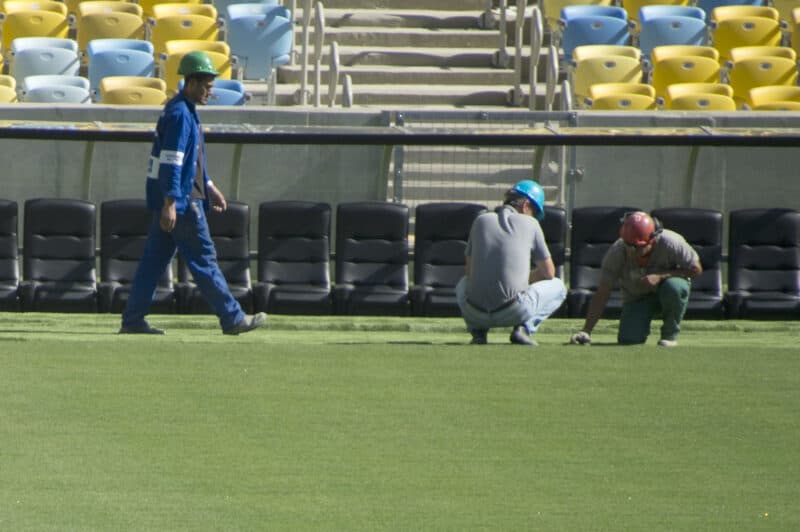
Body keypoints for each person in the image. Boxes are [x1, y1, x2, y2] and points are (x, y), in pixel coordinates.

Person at [120, 51, 266, 335]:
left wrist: (209, 186)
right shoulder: (180, 115)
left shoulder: (182, 111)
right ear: (191, 83)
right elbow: (172, 162)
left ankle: (133, 320)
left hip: (180, 199)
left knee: (153, 263)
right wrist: (171, 203)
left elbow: (191, 161)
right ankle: (233, 318)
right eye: (207, 86)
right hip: (183, 203)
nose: (210, 92)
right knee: (204, 261)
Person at [456, 180, 567, 346]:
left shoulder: (480, 221)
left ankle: (478, 332)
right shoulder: (531, 224)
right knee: (558, 286)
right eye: (535, 212)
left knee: (462, 283)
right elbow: (549, 273)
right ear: (526, 206)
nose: (535, 217)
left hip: (474, 313)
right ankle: (523, 329)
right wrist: (526, 278)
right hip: (514, 311)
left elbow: (469, 272)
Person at [569, 211, 702, 347]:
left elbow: (696, 269)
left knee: (675, 287)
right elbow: (603, 293)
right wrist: (586, 331)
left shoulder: (672, 243)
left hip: (668, 291)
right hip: (638, 298)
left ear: (652, 239)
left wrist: (661, 276)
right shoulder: (617, 251)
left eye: (637, 247)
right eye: (628, 245)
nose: (632, 250)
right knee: (628, 339)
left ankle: (669, 335)